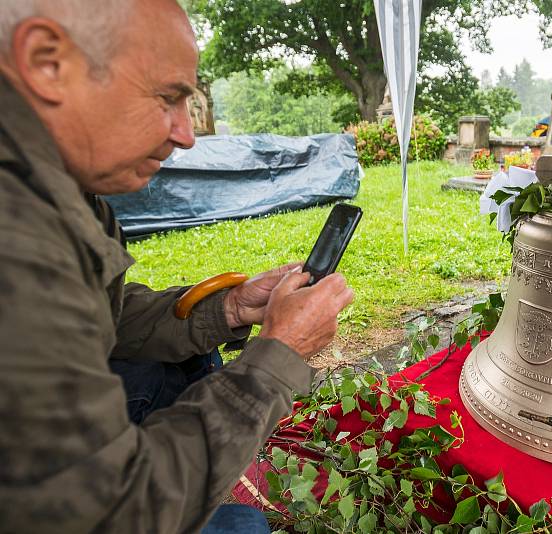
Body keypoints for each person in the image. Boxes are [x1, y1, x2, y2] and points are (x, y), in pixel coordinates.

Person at [0, 1, 354, 532]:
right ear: (47, 62)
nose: (186, 135)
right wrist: (280, 355)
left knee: (180, 369)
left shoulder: (56, 187)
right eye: (168, 98)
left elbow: (100, 313)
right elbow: (113, 513)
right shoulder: (19, 237)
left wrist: (229, 308)